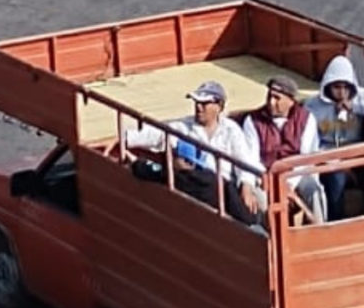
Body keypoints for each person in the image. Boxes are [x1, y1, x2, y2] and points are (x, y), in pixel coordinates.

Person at [131, 82, 264, 225]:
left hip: (230, 184)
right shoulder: (182, 127)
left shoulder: (231, 130)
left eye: (204, 103)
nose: (198, 108)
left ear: (218, 106)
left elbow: (244, 160)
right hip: (204, 187)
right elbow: (151, 134)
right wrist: (126, 139)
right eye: (196, 103)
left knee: (262, 202)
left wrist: (246, 185)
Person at [312, 57, 364, 219]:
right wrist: (335, 161)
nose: (342, 92)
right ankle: (335, 220)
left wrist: (354, 106)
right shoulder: (314, 107)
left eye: (346, 87)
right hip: (327, 156)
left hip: (354, 154)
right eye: (337, 87)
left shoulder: (357, 98)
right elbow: (310, 143)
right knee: (335, 179)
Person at [245, 76, 324, 221]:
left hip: (297, 175)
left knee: (314, 191)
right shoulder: (253, 121)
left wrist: (289, 183)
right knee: (260, 201)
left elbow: (306, 157)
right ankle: (271, 240)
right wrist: (270, 181)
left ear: (291, 101)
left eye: (277, 98)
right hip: (266, 178)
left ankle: (320, 232)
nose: (271, 102)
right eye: (269, 96)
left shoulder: (306, 119)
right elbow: (252, 158)